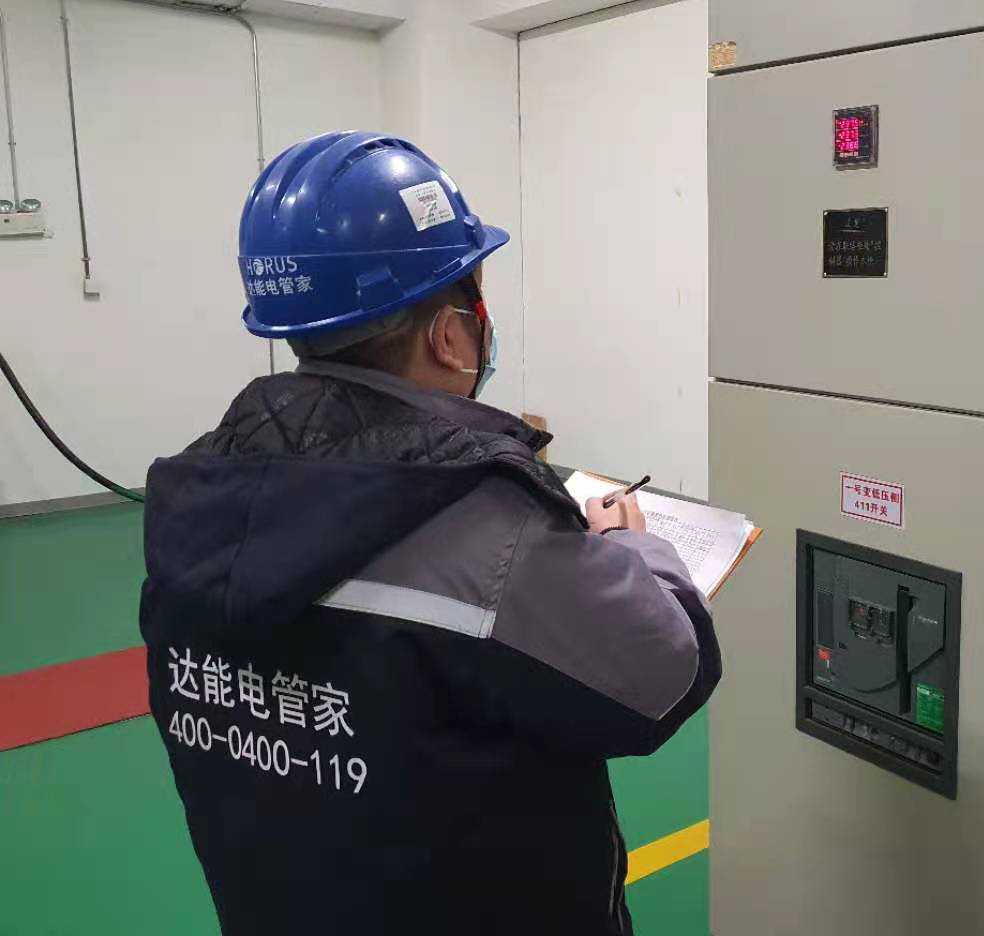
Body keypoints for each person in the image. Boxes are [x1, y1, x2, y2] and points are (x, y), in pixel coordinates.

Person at [139, 131, 720, 935]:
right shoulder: (486, 527)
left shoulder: (197, 495)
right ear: (450, 334)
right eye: (476, 303)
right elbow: (665, 672)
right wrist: (631, 545)